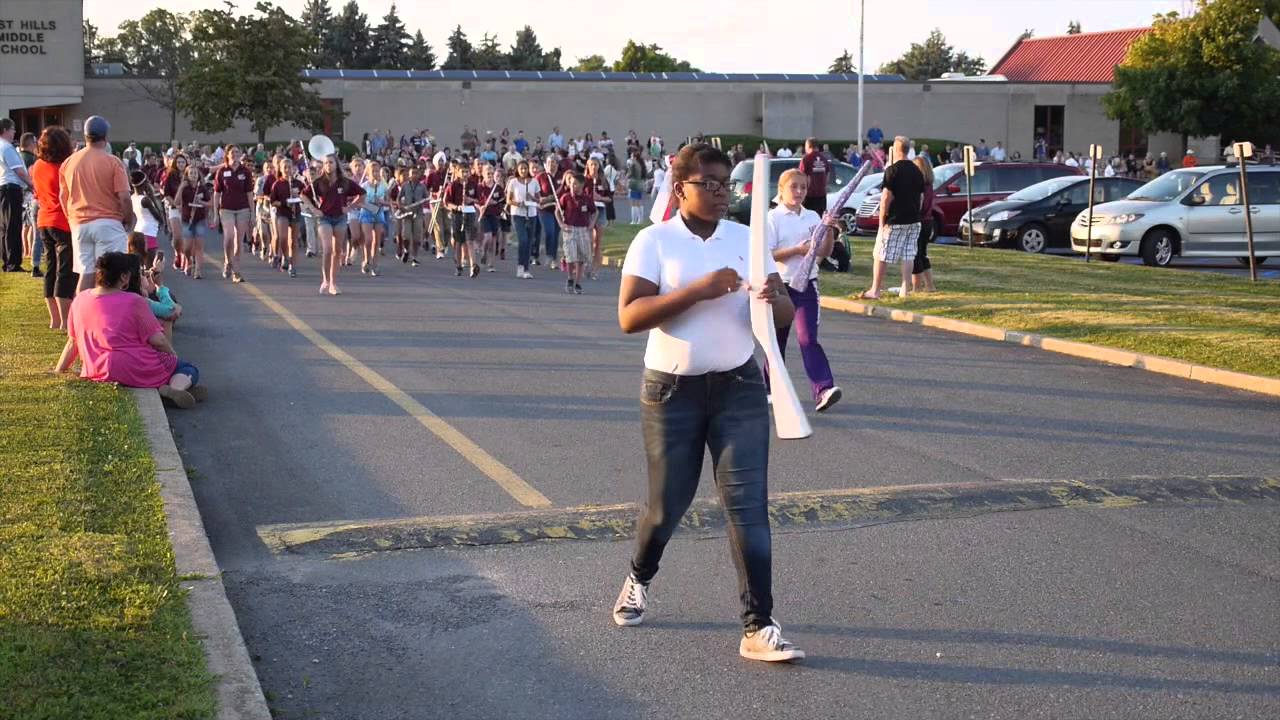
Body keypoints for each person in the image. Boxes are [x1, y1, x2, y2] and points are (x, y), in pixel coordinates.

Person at [613, 142, 802, 663]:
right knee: (665, 507)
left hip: (739, 386)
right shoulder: (656, 241)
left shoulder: (749, 238)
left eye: (727, 185)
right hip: (672, 392)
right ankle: (639, 575)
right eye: (710, 184)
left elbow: (783, 314)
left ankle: (758, 626)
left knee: (748, 508)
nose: (722, 193)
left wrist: (774, 297)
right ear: (681, 189)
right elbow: (629, 316)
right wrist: (697, 290)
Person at [54, 252, 206, 409]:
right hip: (132, 367)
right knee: (187, 368)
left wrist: (59, 370)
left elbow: (73, 342)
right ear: (124, 277)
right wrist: (172, 356)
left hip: (96, 369)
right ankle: (174, 388)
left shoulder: (80, 299)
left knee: (168, 367)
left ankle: (173, 388)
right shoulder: (134, 301)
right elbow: (158, 340)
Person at [766, 168, 842, 412]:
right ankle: (771, 388)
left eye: (803, 188)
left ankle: (823, 390)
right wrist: (795, 251)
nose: (799, 192)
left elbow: (824, 252)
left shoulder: (811, 217)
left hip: (807, 285)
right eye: (794, 187)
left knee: (808, 338)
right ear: (781, 189)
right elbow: (766, 254)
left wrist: (829, 229)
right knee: (776, 341)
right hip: (780, 286)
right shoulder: (772, 218)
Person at [59, 116, 135, 292]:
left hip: (79, 224)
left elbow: (63, 197)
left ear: (85, 136)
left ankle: (81, 315)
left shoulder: (69, 162)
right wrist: (129, 220)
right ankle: (106, 317)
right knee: (110, 277)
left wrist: (71, 220)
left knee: (86, 273)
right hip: (108, 223)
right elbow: (124, 197)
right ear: (105, 137)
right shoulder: (113, 162)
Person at [859, 137, 922, 300]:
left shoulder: (892, 170)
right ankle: (905, 289)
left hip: (895, 219)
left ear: (896, 148)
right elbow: (920, 196)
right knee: (908, 254)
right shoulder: (917, 171)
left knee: (880, 253)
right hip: (914, 219)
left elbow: (886, 196)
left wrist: (882, 220)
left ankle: (875, 290)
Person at [30, 126, 78, 328]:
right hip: (63, 222)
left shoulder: (37, 165)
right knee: (66, 270)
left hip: (44, 220)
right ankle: (65, 319)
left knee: (50, 268)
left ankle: (54, 318)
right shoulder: (65, 167)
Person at [301, 154, 364, 295]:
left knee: (338, 251)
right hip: (324, 218)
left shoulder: (345, 182)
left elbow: (362, 194)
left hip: (340, 218)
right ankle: (325, 280)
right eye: (325, 163)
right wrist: (314, 209)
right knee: (328, 248)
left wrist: (349, 207)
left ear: (336, 164)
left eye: (331, 162)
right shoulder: (319, 181)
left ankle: (333, 283)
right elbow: (303, 195)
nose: (328, 165)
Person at [209, 145, 253, 283]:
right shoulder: (222, 171)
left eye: (237, 152)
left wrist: (253, 213)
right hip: (226, 208)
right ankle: (228, 261)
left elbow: (250, 194)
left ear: (240, 154)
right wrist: (215, 213)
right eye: (232, 152)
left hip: (242, 208)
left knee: (239, 241)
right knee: (229, 236)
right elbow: (216, 194)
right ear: (227, 155)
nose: (234, 154)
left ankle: (237, 271)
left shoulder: (245, 171)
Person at [1, 118, 34, 272]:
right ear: (6, 130)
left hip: (3, 188)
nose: (15, 132)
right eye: (13, 129)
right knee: (13, 225)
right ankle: (13, 263)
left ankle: (6, 260)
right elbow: (19, 171)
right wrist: (32, 185)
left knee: (4, 227)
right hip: (10, 188)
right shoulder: (7, 148)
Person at [556, 171, 594, 294]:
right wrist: (562, 224)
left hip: (583, 229)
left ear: (582, 185)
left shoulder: (587, 199)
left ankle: (578, 282)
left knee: (581, 257)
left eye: (576, 184)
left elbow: (595, 212)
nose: (573, 186)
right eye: (571, 183)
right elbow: (557, 211)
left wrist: (592, 224)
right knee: (570, 256)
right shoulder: (566, 197)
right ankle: (570, 278)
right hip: (570, 229)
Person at [444, 161, 481, 277]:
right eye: (463, 172)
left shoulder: (473, 184)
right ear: (458, 172)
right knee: (459, 242)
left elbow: (479, 199)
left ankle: (473, 266)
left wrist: (470, 200)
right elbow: (446, 202)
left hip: (469, 213)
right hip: (457, 215)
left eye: (467, 172)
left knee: (470, 240)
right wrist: (457, 207)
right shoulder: (453, 185)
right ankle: (459, 265)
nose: (465, 174)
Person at [506, 160, 539, 279]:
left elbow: (538, 199)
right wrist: (518, 203)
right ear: (518, 170)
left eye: (525, 169)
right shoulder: (513, 182)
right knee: (523, 240)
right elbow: (508, 200)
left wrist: (532, 198)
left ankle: (526, 268)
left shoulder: (534, 182)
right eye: (521, 169)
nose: (524, 171)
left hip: (531, 214)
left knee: (529, 242)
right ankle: (520, 266)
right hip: (517, 214)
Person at [270, 156, 302, 277]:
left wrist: (298, 196)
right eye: (285, 168)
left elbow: (305, 196)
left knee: (294, 241)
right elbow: (273, 201)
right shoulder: (277, 184)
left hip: (295, 213)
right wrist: (284, 203)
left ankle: (293, 266)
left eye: (290, 167)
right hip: (282, 212)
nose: (288, 170)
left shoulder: (298, 183)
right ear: (281, 169)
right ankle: (285, 256)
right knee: (283, 237)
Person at [177, 165, 211, 279]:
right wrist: (181, 188)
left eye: (195, 173)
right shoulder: (184, 188)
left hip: (200, 220)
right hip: (187, 220)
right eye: (191, 173)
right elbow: (177, 202)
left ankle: (198, 270)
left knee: (199, 246)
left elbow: (210, 203)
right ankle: (189, 260)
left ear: (198, 175)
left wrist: (201, 202)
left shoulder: (202, 188)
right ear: (187, 175)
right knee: (187, 247)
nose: (193, 175)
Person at [910, 157, 936, 293]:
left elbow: (920, 206)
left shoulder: (920, 187)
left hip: (920, 221)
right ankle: (930, 285)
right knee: (922, 253)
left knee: (915, 254)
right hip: (928, 221)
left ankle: (916, 288)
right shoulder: (929, 185)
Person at [535, 156, 563, 269]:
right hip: (545, 209)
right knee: (549, 231)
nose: (552, 165)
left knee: (556, 234)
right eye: (550, 162)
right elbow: (536, 194)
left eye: (554, 162)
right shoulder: (541, 177)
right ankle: (549, 254)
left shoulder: (562, 176)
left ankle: (554, 258)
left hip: (559, 209)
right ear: (546, 164)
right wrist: (542, 199)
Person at [797, 138, 829, 215]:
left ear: (808, 146)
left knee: (807, 221)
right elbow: (827, 176)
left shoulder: (806, 159)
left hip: (809, 197)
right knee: (819, 221)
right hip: (822, 196)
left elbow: (801, 177)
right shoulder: (824, 159)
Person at [626, 149, 648, 225]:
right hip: (640, 183)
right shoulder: (641, 164)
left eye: (632, 156)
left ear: (635, 157)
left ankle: (634, 220)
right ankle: (640, 220)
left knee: (634, 203)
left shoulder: (633, 164)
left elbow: (630, 174)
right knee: (639, 202)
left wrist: (625, 177)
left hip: (634, 184)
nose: (631, 157)